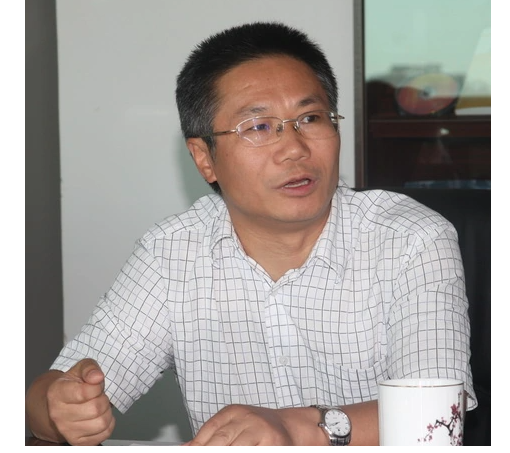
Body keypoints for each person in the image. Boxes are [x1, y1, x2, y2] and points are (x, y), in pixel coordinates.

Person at [25, 21, 476, 446]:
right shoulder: (172, 253)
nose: (294, 148)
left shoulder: (410, 240)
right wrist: (60, 407)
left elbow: (438, 418)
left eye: (311, 118)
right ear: (204, 158)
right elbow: (46, 399)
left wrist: (295, 428)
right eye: (259, 127)